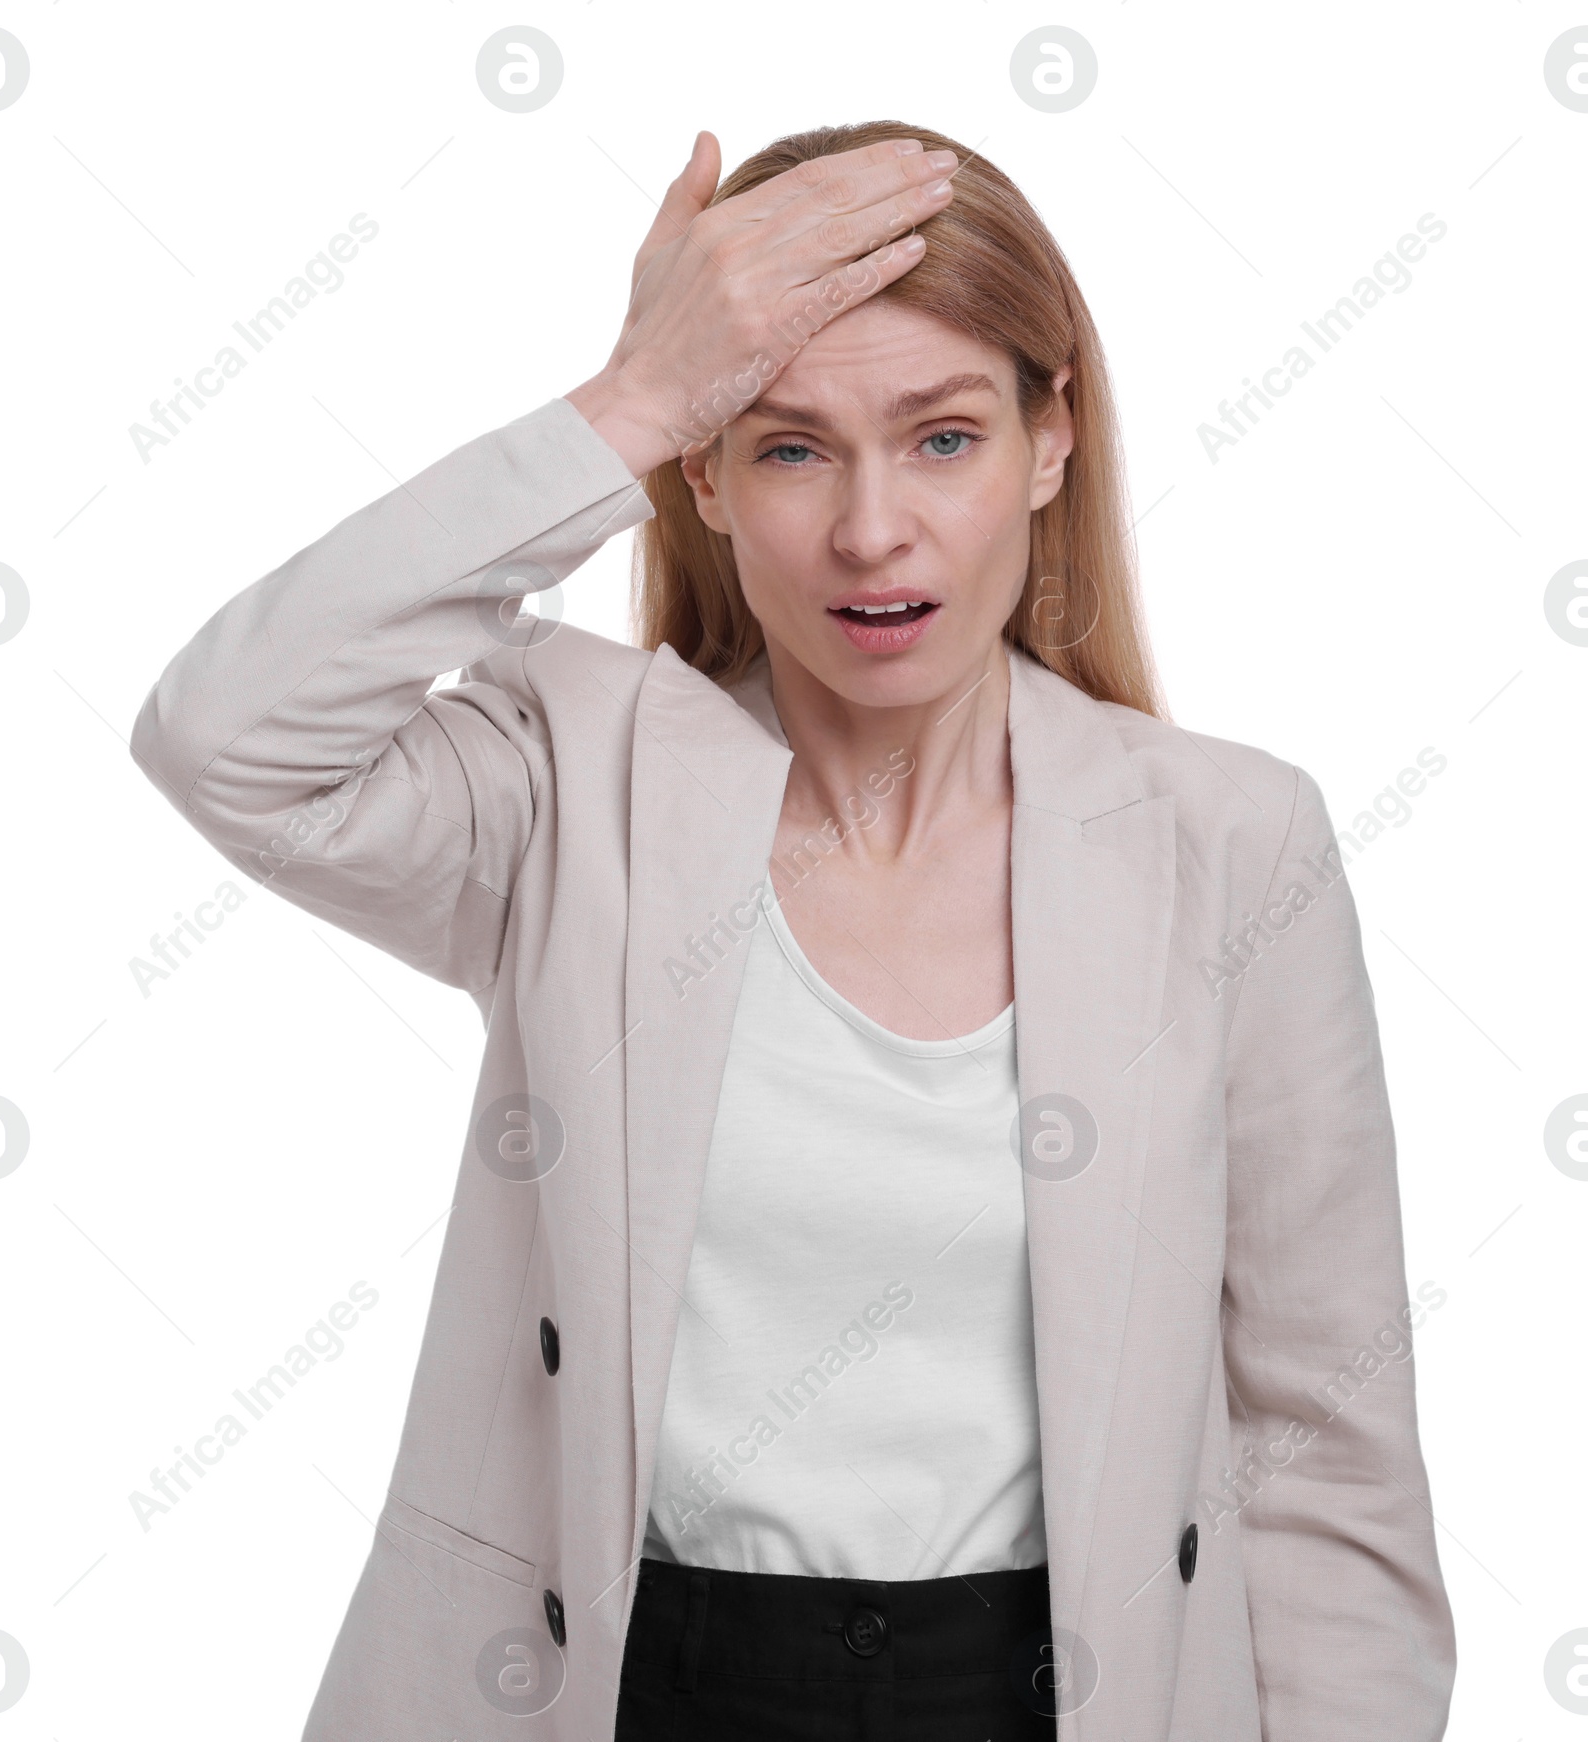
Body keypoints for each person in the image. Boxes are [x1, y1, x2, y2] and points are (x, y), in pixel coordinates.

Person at [130, 120, 1456, 1741]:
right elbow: (226, 737)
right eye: (788, 446)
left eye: (945, 439)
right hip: (636, 1688)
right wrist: (623, 403)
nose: (871, 530)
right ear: (703, 474)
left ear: (1054, 441)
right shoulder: (573, 786)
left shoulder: (1232, 845)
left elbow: (1325, 1449)